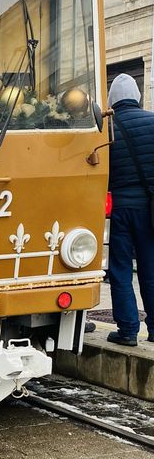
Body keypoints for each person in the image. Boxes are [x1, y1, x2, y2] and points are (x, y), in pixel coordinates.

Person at [107, 73, 154, 346]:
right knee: (150, 269)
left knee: (121, 269)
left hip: (120, 210)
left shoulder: (107, 128)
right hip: (150, 209)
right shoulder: (152, 121)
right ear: (136, 95)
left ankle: (127, 330)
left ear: (113, 99)